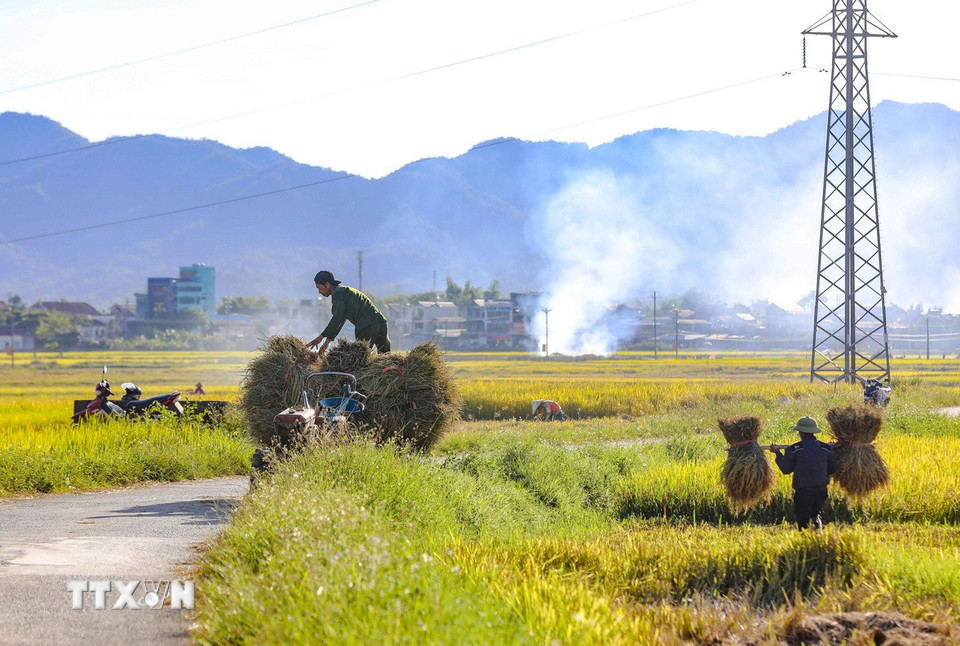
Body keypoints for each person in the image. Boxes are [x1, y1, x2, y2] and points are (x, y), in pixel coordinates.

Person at [769, 416, 837, 530]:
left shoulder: (794, 449)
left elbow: (786, 470)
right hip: (822, 492)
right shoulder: (826, 448)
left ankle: (805, 543)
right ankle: (818, 540)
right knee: (816, 515)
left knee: (803, 521)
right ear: (814, 432)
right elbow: (832, 469)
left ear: (800, 432)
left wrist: (777, 453)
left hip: (803, 492)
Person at [307, 270, 391, 354]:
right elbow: (341, 319)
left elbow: (337, 318)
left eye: (319, 288)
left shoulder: (338, 293)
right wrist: (327, 342)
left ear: (327, 285)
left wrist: (320, 337)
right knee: (385, 357)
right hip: (381, 322)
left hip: (367, 326)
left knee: (359, 358)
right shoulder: (344, 292)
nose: (319, 292)